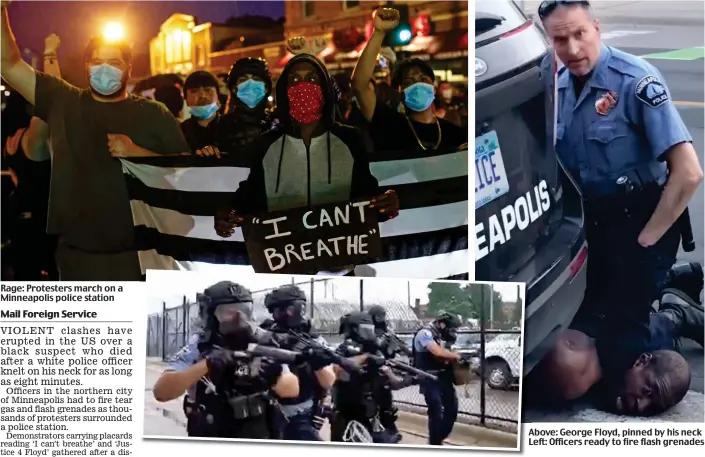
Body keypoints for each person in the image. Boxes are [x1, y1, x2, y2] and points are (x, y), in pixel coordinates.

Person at [538, 0, 703, 348]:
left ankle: (678, 316)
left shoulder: (635, 81)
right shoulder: (555, 84)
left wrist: (646, 242)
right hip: (592, 226)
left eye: (580, 34)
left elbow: (688, 173)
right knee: (583, 317)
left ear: (596, 28)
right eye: (560, 40)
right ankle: (672, 279)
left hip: (642, 221)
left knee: (620, 347)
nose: (573, 49)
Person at [0, 1, 191, 281]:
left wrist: (138, 153)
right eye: (98, 61)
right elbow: (8, 63)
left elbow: (186, 174)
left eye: (114, 62)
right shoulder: (64, 101)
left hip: (142, 257)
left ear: (128, 66)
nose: (105, 69)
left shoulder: (154, 113)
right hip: (77, 259)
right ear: (87, 65)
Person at [213, 53, 399, 275]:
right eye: (294, 81)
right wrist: (228, 212)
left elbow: (365, 195)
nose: (302, 87)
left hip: (339, 272)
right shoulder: (267, 143)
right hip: (284, 274)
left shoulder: (350, 139)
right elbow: (251, 196)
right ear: (284, 90)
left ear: (325, 89)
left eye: (312, 79)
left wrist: (385, 204)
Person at [152, 281, 299, 438]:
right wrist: (208, 364)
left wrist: (272, 375)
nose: (238, 318)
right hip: (212, 431)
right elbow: (162, 392)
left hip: (257, 431)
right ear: (210, 316)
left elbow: (292, 389)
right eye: (229, 312)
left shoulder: (262, 341)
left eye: (244, 311)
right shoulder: (200, 345)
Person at [537, 283, 703, 416]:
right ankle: (678, 314)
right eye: (648, 391)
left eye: (653, 408)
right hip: (598, 318)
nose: (641, 406)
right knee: (639, 340)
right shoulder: (572, 369)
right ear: (641, 361)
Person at [352, 7, 467, 153]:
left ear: (434, 86)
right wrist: (379, 33)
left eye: (423, 79)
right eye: (408, 82)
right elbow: (359, 85)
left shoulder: (455, 134)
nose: (417, 85)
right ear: (400, 91)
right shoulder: (388, 125)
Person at [260, 285, 336, 441]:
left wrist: (326, 399)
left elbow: (328, 380)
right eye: (288, 309)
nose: (294, 313)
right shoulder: (265, 337)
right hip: (272, 413)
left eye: (298, 308)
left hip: (305, 412)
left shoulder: (312, 338)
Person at [331, 311, 415, 443]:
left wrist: (410, 379)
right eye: (365, 329)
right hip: (350, 416)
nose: (369, 333)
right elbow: (335, 370)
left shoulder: (376, 350)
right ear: (353, 329)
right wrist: (365, 359)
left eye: (370, 329)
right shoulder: (344, 349)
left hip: (377, 414)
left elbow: (393, 380)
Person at [188, 59, 274, 159]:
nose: (250, 84)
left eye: (256, 79)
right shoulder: (218, 127)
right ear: (234, 88)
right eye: (243, 80)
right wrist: (207, 152)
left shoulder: (277, 124)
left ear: (266, 88)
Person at [411, 311, 462, 445]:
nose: (453, 332)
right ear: (442, 323)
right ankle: (435, 444)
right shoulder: (425, 333)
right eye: (452, 328)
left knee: (452, 408)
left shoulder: (439, 336)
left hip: (442, 376)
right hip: (428, 377)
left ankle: (438, 438)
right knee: (436, 409)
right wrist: (456, 356)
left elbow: (443, 356)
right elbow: (436, 351)